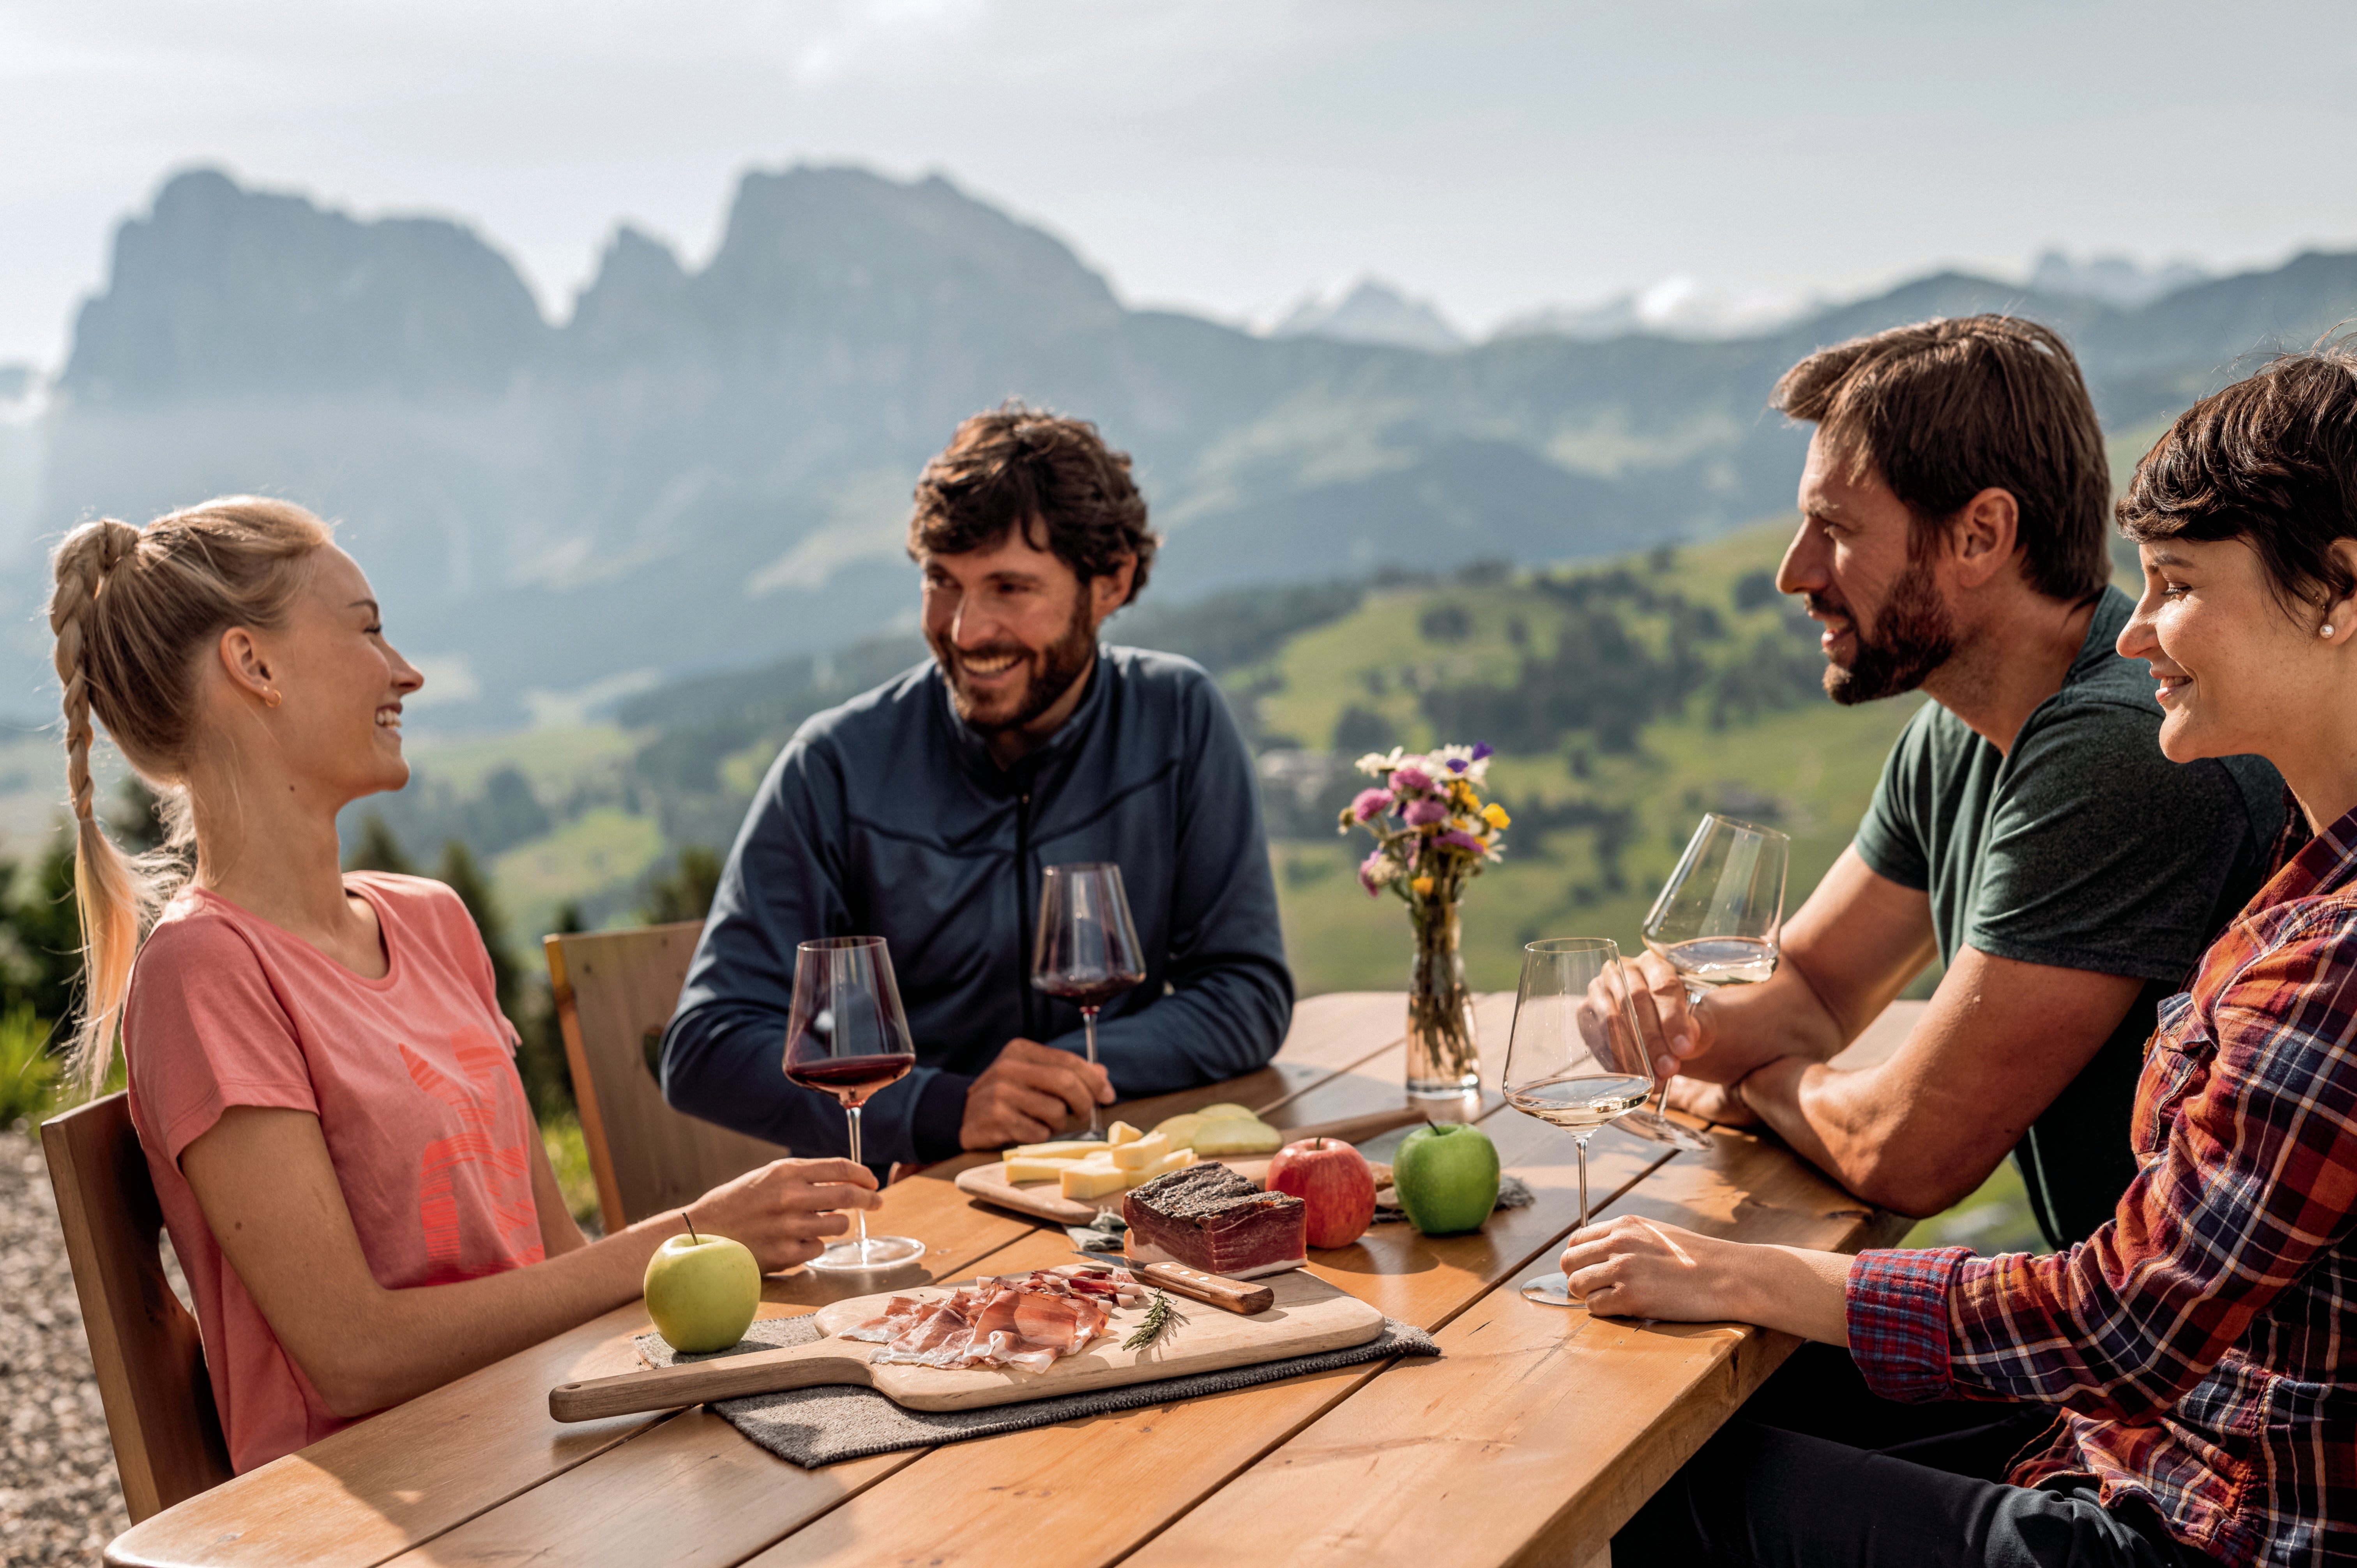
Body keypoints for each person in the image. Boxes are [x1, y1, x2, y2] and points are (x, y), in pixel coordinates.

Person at [1580, 347, 2357, 1567]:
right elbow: (1813, 989)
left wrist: (1759, 1193)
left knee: (1649, 1481)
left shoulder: (2164, 793)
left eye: (2177, 584)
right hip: (2157, 1425)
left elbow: (1957, 1188)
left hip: (2217, 1498)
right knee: (1687, 1414)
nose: (2141, 630)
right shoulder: (2288, 882)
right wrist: (1680, 1024)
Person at [52, 498, 881, 1474]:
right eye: (366, 629)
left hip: (549, 1435)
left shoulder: (433, 920)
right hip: (386, 1500)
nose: (406, 671)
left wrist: (732, 1265)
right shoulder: (207, 973)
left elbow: (559, 1256)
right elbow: (353, 1358)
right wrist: (696, 1228)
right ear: (255, 665)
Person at [1637, 315, 2281, 1248]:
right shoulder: (1956, 732)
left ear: (1981, 534)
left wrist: (1761, 1083)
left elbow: (1909, 1152)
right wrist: (1664, 1012)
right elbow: (1814, 987)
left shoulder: (2120, 746)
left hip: (2184, 1376)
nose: (1794, 573)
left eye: (1835, 528)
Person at [661, 405, 1293, 1168]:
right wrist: (942, 1104)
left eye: (1009, 587)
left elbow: (1244, 987)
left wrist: (1058, 1077)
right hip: (913, 1211)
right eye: (942, 581)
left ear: (1111, 582)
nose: (964, 629)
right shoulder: (834, 765)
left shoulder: (1178, 719)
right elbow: (707, 1043)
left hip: (1112, 1179)